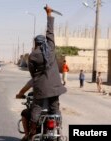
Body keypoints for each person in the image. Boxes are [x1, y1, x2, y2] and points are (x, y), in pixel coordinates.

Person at [27, 5, 67, 140]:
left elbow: (32, 73)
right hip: (55, 87)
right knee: (55, 108)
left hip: (41, 88)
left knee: (36, 107)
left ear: (35, 44)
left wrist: (37, 81)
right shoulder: (50, 48)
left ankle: (32, 131)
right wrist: (49, 14)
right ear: (43, 42)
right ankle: (58, 129)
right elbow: (50, 32)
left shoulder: (32, 56)